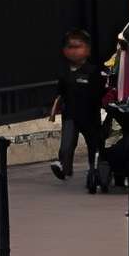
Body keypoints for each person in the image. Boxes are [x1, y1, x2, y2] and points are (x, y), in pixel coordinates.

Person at [51, 27, 111, 180]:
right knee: (67, 144)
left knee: (94, 144)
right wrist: (55, 108)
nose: (73, 51)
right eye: (70, 47)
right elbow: (60, 92)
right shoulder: (64, 72)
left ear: (87, 50)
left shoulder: (94, 71)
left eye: (78, 47)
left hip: (90, 115)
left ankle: (95, 169)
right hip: (70, 115)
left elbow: (103, 92)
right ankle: (64, 166)